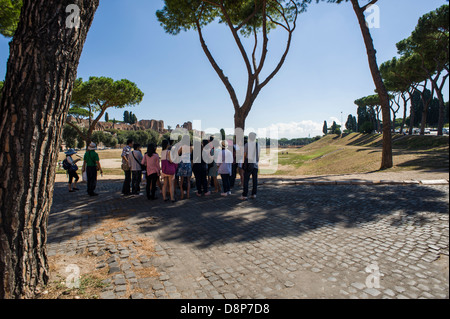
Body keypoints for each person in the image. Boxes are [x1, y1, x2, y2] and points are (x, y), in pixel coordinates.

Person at [241, 132, 259, 200]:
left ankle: (245, 195)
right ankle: (254, 194)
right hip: (255, 164)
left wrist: (243, 164)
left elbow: (244, 155)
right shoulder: (258, 145)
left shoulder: (247, 145)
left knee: (246, 180)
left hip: (248, 164)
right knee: (255, 180)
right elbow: (258, 156)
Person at [177, 135, 193, 200]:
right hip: (188, 164)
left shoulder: (181, 147)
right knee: (188, 180)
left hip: (182, 164)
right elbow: (190, 155)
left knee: (182, 180)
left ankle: (182, 194)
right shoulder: (191, 148)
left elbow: (178, 154)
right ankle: (188, 194)